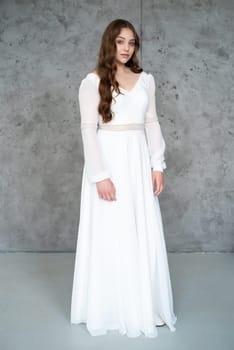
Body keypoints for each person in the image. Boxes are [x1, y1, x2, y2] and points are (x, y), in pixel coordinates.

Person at [70, 18, 177, 338]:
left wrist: (157, 164)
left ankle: (145, 304)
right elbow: (89, 130)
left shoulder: (147, 80)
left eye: (131, 43)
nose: (126, 48)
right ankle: (111, 307)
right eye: (120, 42)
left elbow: (152, 122)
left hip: (137, 161)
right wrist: (100, 175)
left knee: (139, 227)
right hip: (109, 161)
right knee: (110, 230)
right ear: (110, 43)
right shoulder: (92, 81)